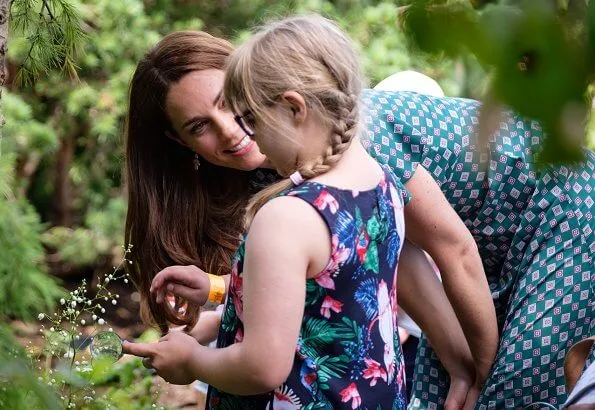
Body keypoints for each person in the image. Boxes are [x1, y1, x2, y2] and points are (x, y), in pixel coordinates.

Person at [121, 21, 594, 410]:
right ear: (179, 144)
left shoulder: (351, 142)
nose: (233, 132)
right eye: (200, 126)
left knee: (510, 391)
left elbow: (449, 248)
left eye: (234, 106)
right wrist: (457, 365)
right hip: (476, 250)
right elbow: (381, 261)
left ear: (281, 96)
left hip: (559, 204)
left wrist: (482, 374)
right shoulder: (291, 163)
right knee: (437, 394)